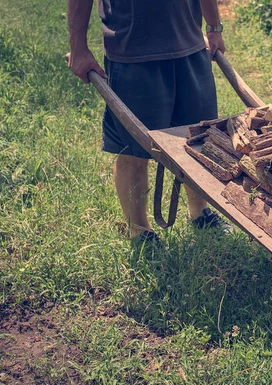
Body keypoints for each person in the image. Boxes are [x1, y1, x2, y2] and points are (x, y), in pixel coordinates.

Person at [66, 0, 228, 242]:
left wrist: (214, 28)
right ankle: (140, 231)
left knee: (200, 139)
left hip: (191, 48)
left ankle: (199, 212)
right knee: (135, 150)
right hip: (133, 55)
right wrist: (78, 46)